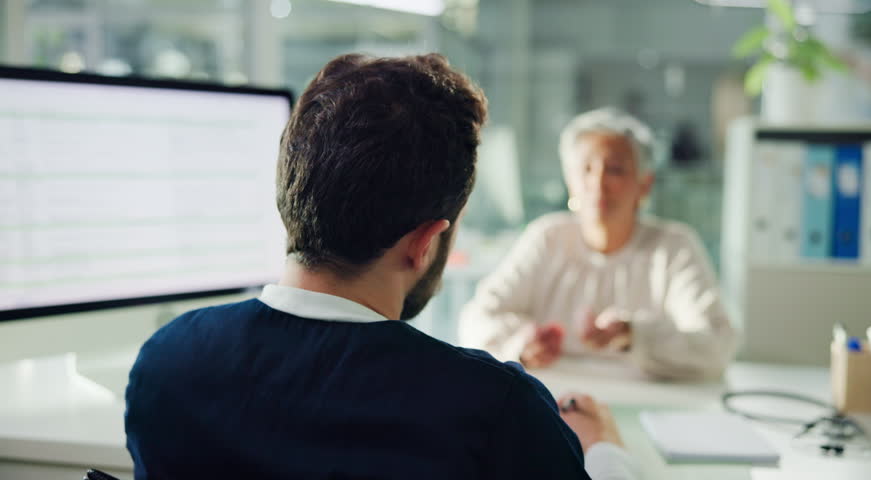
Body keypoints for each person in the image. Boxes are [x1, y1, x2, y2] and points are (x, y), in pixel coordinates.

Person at [124, 54, 636, 479]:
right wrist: (604, 450)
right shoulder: (497, 413)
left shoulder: (167, 365)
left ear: (290, 196)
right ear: (427, 242)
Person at [459, 107, 737, 380]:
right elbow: (476, 319)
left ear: (644, 185)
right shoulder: (547, 237)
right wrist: (522, 344)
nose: (599, 182)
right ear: (570, 181)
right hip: (552, 404)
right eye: (587, 168)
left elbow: (718, 346)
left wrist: (632, 335)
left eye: (615, 170)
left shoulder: (674, 247)